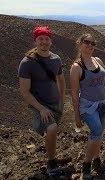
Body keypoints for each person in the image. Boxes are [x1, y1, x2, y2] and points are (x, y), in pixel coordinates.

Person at [18, 26, 66, 175]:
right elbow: (25, 92)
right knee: (52, 129)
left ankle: (49, 149)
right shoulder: (27, 63)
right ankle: (51, 163)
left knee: (52, 131)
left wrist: (62, 100)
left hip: (55, 103)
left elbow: (61, 80)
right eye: (41, 39)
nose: (44, 42)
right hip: (39, 105)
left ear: (50, 41)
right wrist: (41, 109)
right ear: (35, 41)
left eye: (46, 39)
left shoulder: (56, 59)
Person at [70, 33, 105, 179]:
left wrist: (99, 87)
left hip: (103, 103)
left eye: (92, 43)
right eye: (86, 42)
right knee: (96, 131)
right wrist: (77, 116)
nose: (90, 45)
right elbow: (75, 93)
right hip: (88, 107)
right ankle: (86, 167)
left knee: (99, 134)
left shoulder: (97, 60)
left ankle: (97, 159)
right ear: (80, 44)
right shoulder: (77, 67)